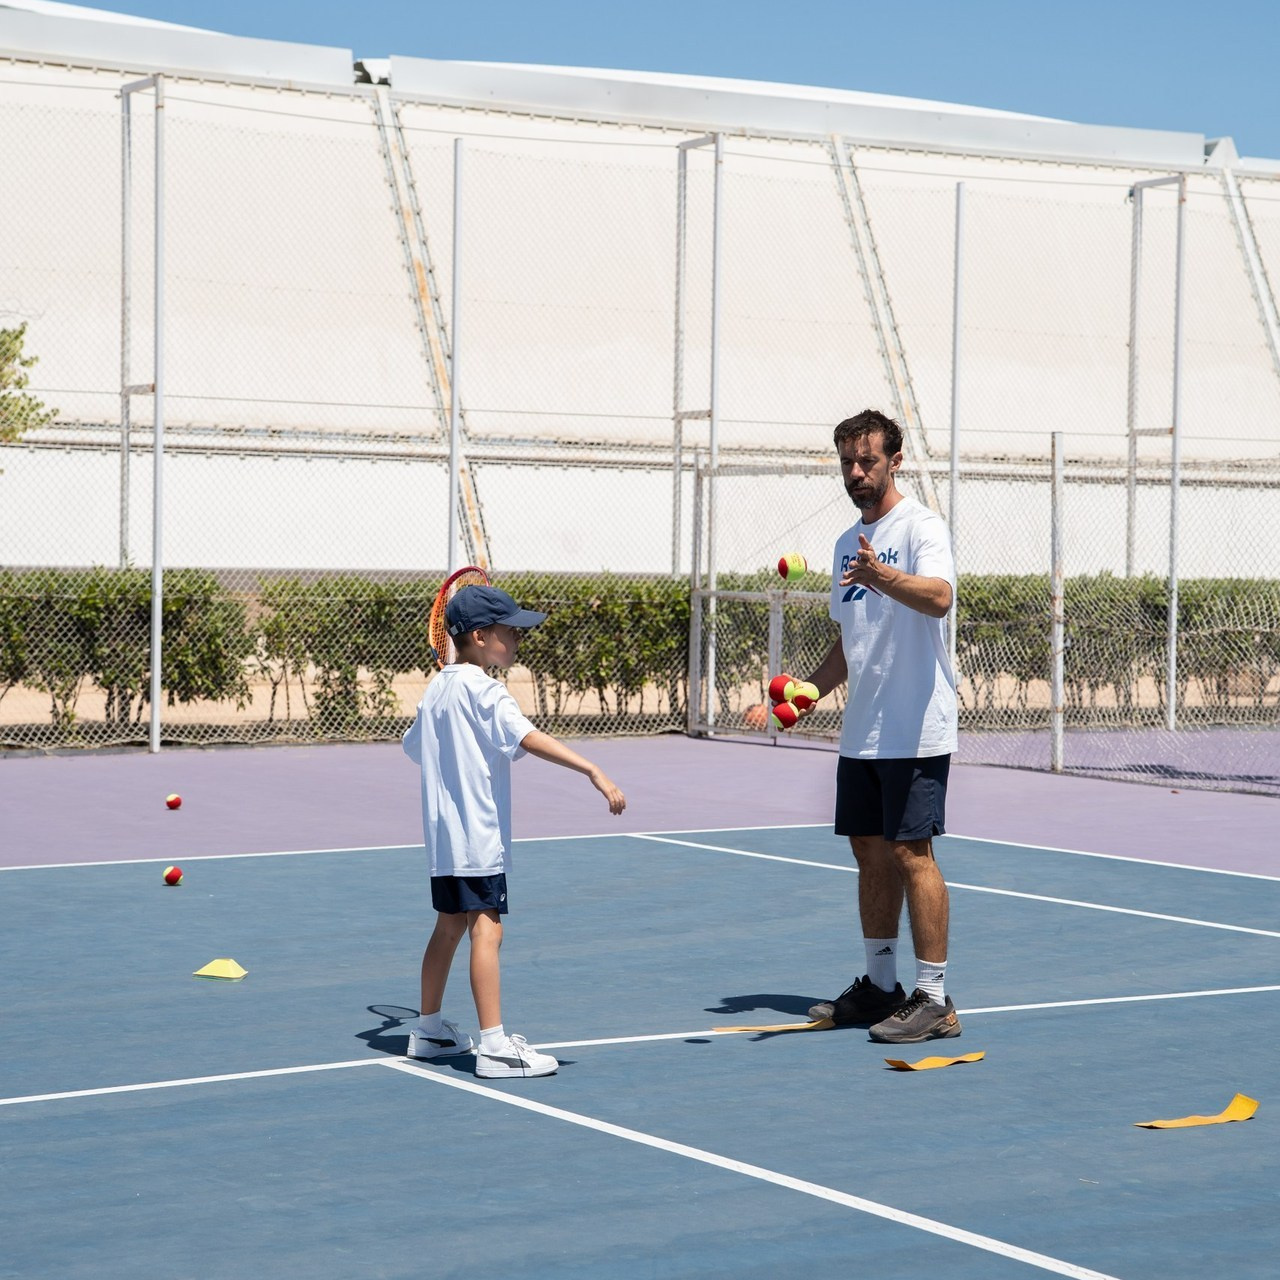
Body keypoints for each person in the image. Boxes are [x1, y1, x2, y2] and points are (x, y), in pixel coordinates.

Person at [401, 583, 626, 1078]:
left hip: (443, 843)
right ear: (480, 637)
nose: (519, 638)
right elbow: (528, 737)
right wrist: (592, 769)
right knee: (488, 929)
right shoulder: (486, 690)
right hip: (479, 838)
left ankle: (429, 1030)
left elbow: (413, 747)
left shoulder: (436, 690)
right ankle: (495, 1047)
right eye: (512, 630)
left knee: (448, 926)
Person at [801, 409, 962, 1044]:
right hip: (863, 729)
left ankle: (935, 999)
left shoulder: (922, 526)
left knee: (910, 853)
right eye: (847, 462)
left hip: (916, 725)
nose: (856, 472)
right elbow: (849, 639)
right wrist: (812, 689)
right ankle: (880, 985)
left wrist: (883, 575)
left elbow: (940, 597)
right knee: (868, 849)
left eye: (867, 461)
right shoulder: (846, 543)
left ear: (895, 461)